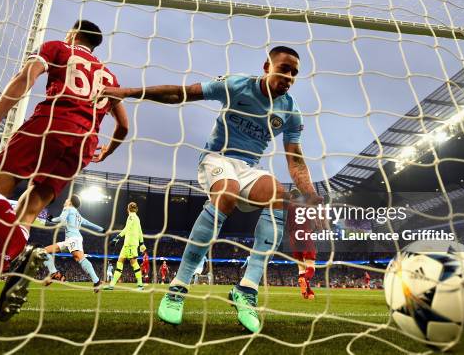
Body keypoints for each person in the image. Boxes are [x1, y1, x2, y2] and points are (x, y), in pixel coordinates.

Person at [0, 20, 128, 329]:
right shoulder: (109, 76)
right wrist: (106, 152)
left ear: (72, 33)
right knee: (25, 216)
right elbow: (123, 127)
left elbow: (25, 77)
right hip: (84, 145)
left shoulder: (59, 47)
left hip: (50, 125)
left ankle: (20, 248)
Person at [103, 46, 321, 333]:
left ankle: (246, 289)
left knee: (278, 194)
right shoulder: (236, 85)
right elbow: (182, 93)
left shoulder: (290, 112)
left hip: (249, 168)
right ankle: (177, 289)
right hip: (217, 159)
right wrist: (130, 92)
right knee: (227, 192)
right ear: (266, 66)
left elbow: (295, 159)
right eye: (283, 68)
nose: (289, 76)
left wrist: (312, 195)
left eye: (294, 72)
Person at [42, 195, 104, 292]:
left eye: (67, 199)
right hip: (69, 241)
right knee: (43, 251)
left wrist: (51, 219)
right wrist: (102, 229)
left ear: (70, 202)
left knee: (79, 258)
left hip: (73, 239)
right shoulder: (78, 215)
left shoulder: (68, 208)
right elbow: (89, 223)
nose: (65, 200)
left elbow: (61, 219)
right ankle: (54, 273)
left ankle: (97, 281)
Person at [104, 202, 146, 290]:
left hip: (130, 244)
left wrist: (117, 238)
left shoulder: (131, 217)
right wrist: (141, 243)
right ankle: (111, 285)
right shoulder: (137, 218)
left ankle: (140, 285)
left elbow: (126, 229)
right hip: (127, 244)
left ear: (128, 209)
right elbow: (140, 232)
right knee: (120, 261)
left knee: (133, 262)